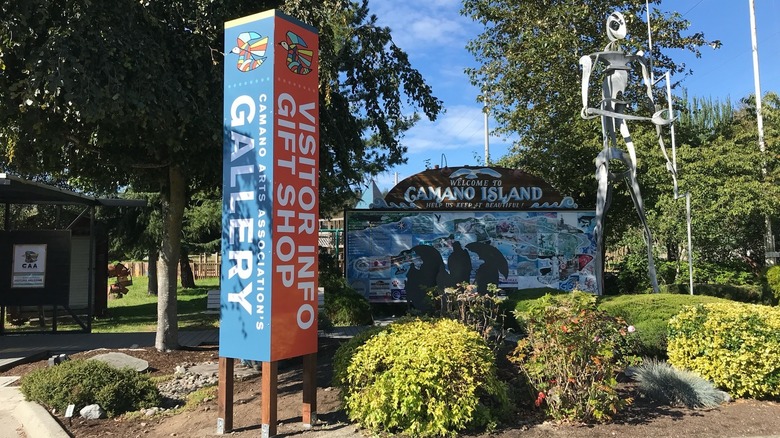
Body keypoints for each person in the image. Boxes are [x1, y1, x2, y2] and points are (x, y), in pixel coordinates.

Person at [579, 11, 669, 294]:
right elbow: (587, 81)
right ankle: (598, 288)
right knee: (601, 206)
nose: (622, 28)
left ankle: (654, 284)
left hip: (623, 118)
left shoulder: (637, 59)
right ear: (609, 26)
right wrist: (586, 104)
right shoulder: (596, 57)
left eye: (624, 23)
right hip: (607, 117)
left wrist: (656, 116)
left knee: (634, 175)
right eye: (616, 23)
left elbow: (650, 92)